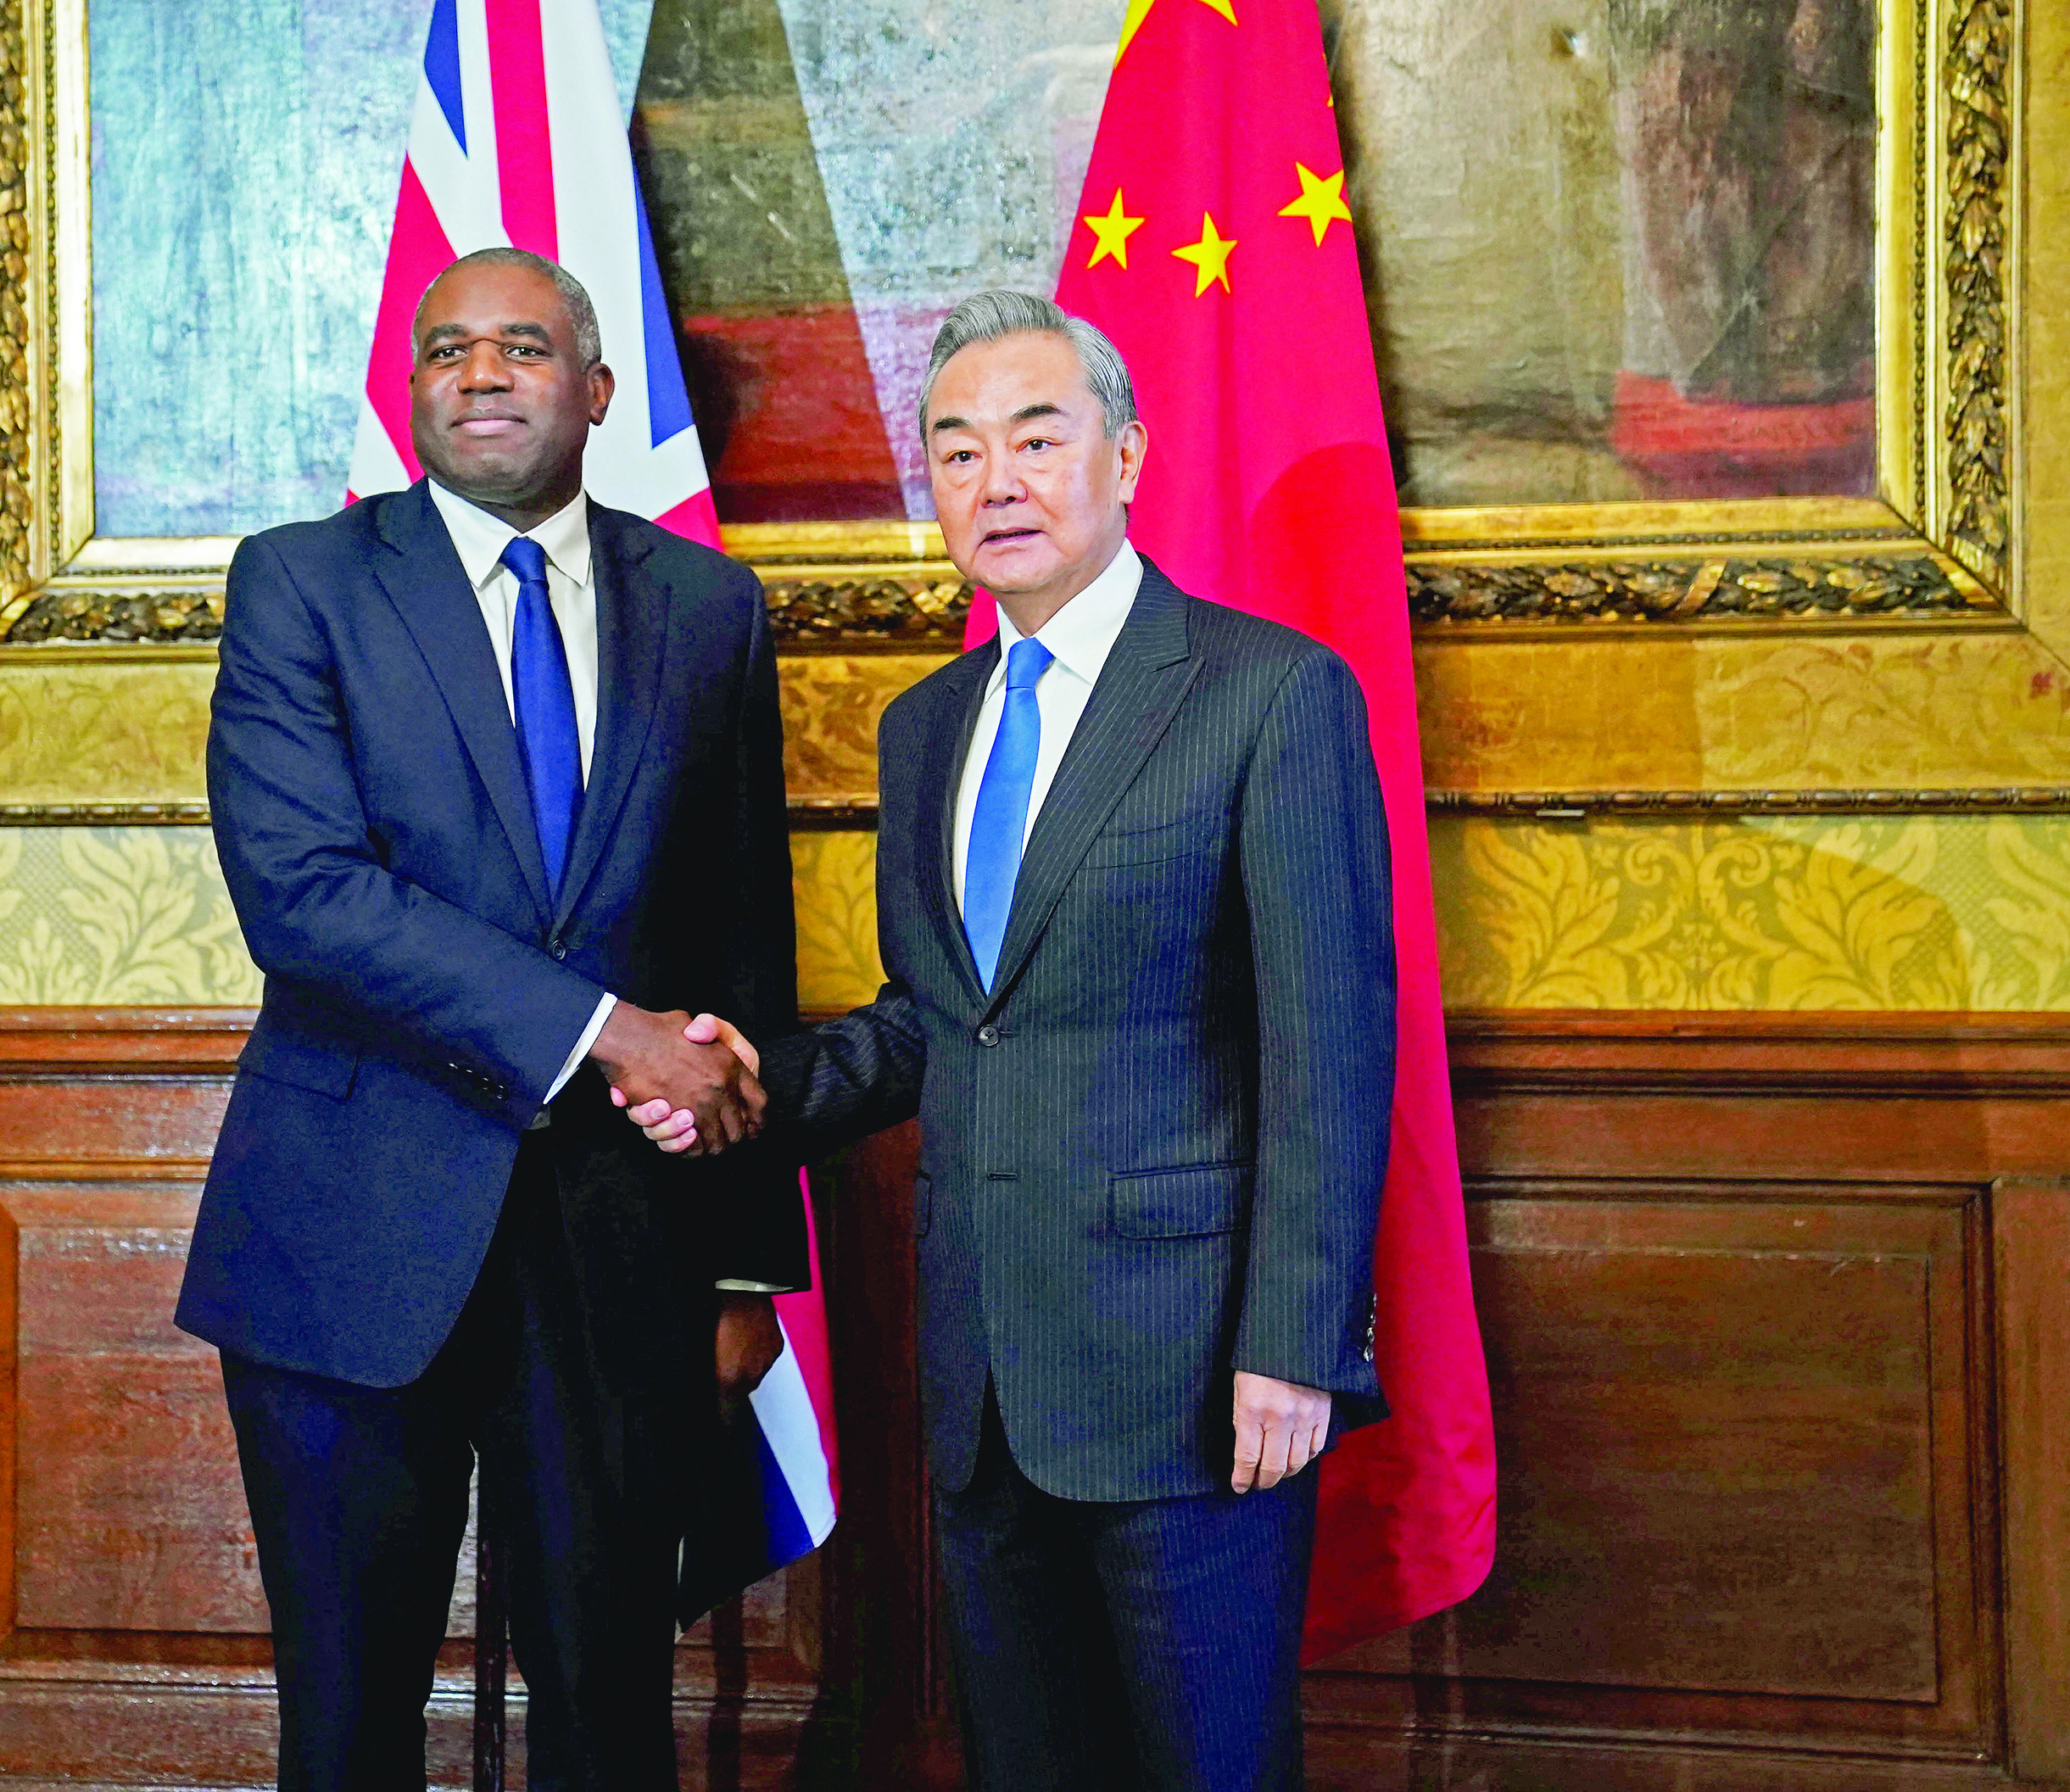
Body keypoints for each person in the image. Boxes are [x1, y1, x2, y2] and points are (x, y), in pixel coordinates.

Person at [622, 290, 1395, 1789]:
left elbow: (1328, 1051)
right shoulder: (929, 726)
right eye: (958, 452)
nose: (998, 481)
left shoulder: (1268, 693)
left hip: (1195, 1383)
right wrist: (752, 1084)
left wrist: (1293, 1348)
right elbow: (939, 1022)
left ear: (1126, 457)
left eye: (1037, 440)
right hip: (981, 1383)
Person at [178, 246, 801, 1792]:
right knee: (348, 1715)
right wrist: (606, 1027)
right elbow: (306, 900)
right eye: (447, 348)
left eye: (522, 347)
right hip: (348, 1236)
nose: (480, 372)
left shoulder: (707, 608)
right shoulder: (302, 581)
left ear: (594, 392)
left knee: (608, 1712)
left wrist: (737, 1258)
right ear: (411, 396)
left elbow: (738, 935)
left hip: (620, 1245)